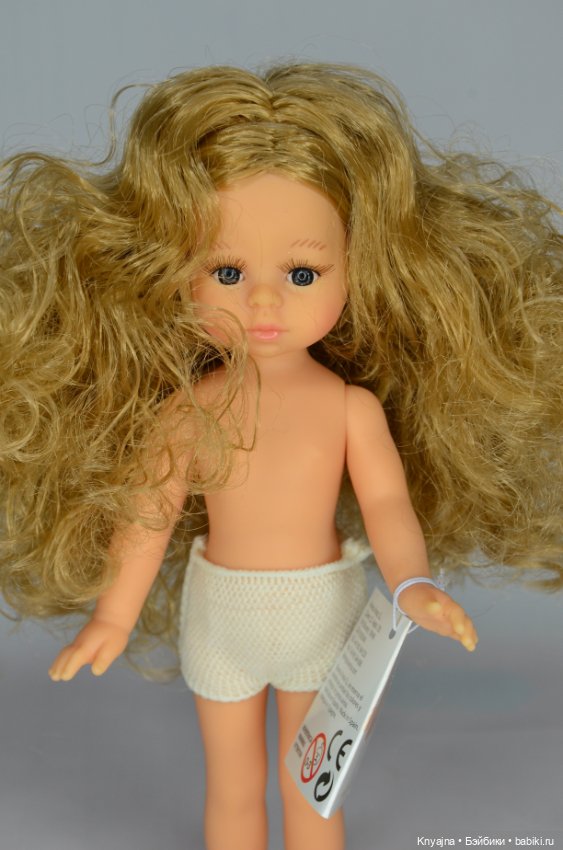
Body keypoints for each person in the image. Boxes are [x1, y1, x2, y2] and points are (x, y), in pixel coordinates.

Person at [1, 62, 561, 850]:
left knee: (313, 791)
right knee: (233, 790)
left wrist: (411, 584)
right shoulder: (189, 411)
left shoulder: (347, 408)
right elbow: (148, 514)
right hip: (219, 617)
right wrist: (112, 616)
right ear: (174, 269)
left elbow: (387, 506)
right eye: (226, 272)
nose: (263, 302)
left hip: (322, 616)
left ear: (359, 269)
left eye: (302, 274)